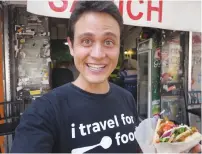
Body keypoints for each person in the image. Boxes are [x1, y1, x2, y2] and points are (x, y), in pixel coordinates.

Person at [10, 1, 201, 153]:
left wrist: (171, 148)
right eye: (86, 41)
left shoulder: (125, 98)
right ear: (71, 45)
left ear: (119, 46)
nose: (98, 53)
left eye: (109, 41)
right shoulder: (42, 113)